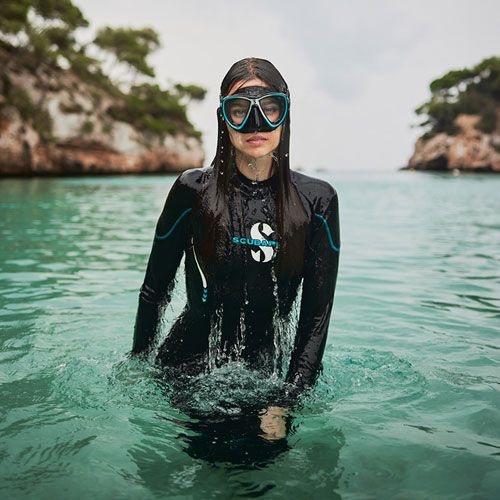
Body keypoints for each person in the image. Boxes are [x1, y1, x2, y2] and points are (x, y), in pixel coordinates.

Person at [132, 57, 340, 393]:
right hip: (187, 371)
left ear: (286, 113)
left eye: (270, 108)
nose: (255, 124)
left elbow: (316, 319)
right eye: (240, 110)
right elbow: (154, 292)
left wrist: (290, 397)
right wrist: (138, 363)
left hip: (267, 375)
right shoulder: (193, 191)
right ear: (223, 118)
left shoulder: (317, 201)